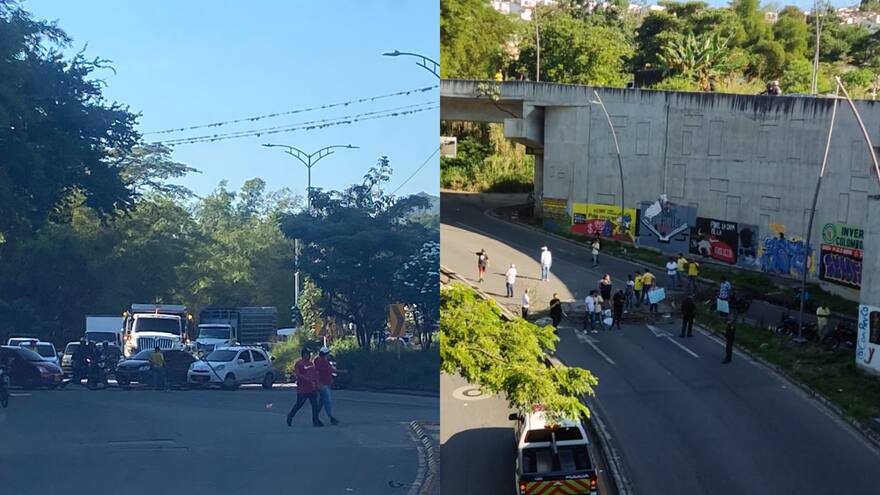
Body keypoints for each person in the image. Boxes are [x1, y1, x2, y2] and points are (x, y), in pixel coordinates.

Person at [287, 348, 323, 427]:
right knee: (299, 404)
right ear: (303, 354)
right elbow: (297, 373)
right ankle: (290, 416)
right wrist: (306, 379)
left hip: (311, 388)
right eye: (307, 354)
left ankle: (315, 420)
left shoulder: (311, 364)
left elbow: (315, 374)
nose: (309, 355)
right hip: (302, 389)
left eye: (310, 354)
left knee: (314, 405)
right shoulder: (299, 363)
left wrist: (317, 384)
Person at [314, 347, 340, 426]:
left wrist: (342, 371)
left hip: (325, 384)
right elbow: (317, 373)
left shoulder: (324, 361)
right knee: (327, 401)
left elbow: (331, 370)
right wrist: (318, 384)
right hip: (322, 384)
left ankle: (315, 417)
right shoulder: (319, 361)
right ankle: (331, 417)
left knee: (321, 403)